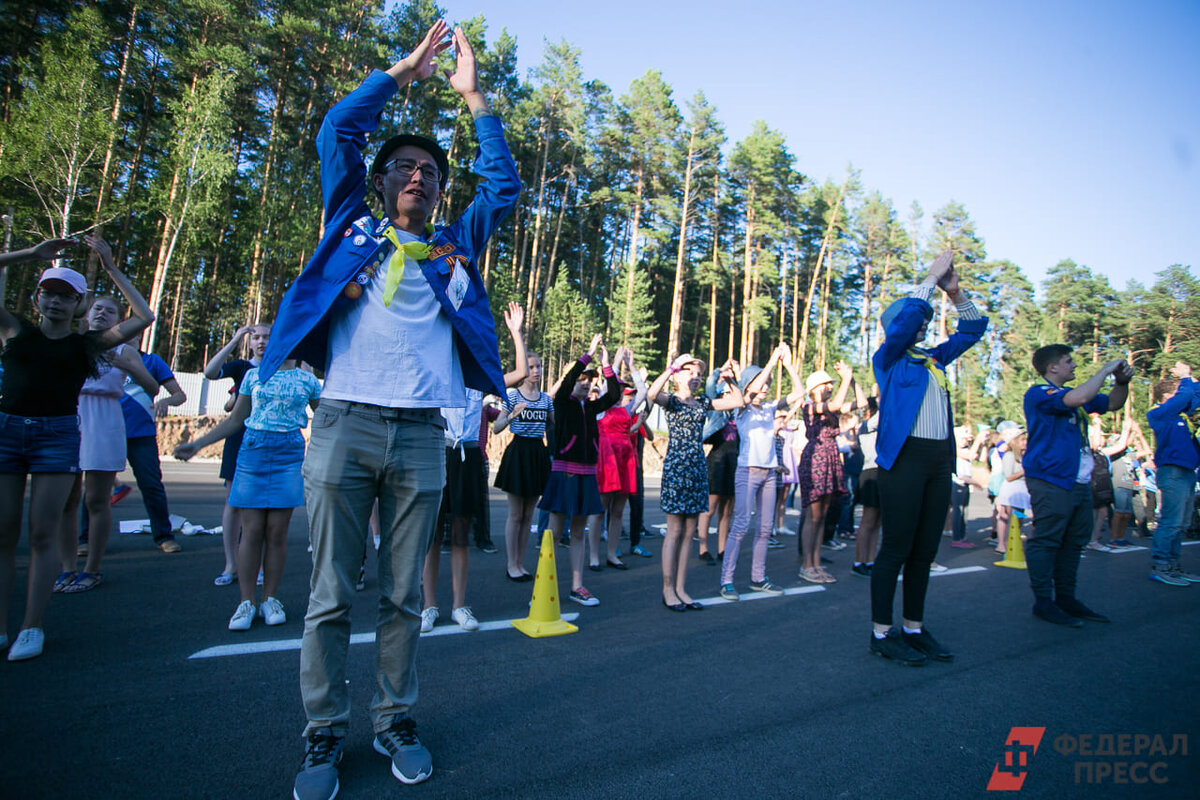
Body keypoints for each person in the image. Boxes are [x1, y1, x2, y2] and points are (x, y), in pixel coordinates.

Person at [258, 21, 520, 796]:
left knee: (405, 596)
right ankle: (321, 736)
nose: (418, 177)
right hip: (342, 423)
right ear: (379, 183)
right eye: (402, 167)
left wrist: (472, 96)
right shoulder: (352, 226)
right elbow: (338, 128)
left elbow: (503, 188)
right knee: (332, 594)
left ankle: (395, 720)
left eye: (430, 171)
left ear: (440, 191)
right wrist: (403, 73)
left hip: (421, 438)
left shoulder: (452, 248)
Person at [0, 235, 153, 661]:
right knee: (3, 531)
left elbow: (144, 315)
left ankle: (32, 626)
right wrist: (28, 255)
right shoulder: (15, 332)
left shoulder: (87, 345)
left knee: (42, 532)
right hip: (8, 431)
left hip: (58, 435)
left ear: (79, 306)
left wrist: (110, 268)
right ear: (37, 298)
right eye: (50, 294)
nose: (56, 303)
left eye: (67, 297)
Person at [869, 250, 987, 666]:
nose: (923, 322)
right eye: (917, 319)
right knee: (896, 549)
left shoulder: (933, 359)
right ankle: (881, 632)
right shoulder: (887, 359)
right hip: (904, 459)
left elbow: (974, 330)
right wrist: (929, 278)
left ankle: (913, 628)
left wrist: (953, 291)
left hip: (939, 459)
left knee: (924, 551)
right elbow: (901, 325)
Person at [174, 358, 321, 630]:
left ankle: (270, 599)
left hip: (289, 454)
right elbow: (236, 420)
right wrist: (197, 445)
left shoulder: (309, 380)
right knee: (252, 530)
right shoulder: (253, 375)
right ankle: (246, 602)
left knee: (277, 532)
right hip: (253, 451)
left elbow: (325, 420)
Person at [421, 302, 527, 632]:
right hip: (439, 454)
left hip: (467, 458)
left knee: (461, 535)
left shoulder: (479, 379)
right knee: (432, 537)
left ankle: (459, 606)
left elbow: (520, 373)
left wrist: (516, 332)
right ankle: (428, 606)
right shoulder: (436, 370)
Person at [59, 290, 162, 593]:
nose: (102, 314)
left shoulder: (126, 352)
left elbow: (153, 388)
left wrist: (126, 365)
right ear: (86, 313)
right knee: (68, 501)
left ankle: (93, 568)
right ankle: (66, 568)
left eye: (110, 311)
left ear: (119, 320)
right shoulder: (72, 345)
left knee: (96, 499)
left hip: (105, 421)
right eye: (97, 309)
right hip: (70, 417)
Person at [1022, 345, 1132, 627]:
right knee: (1046, 540)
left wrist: (1122, 382)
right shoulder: (1039, 393)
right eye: (1068, 361)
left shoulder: (1077, 398)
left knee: (1073, 543)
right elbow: (1080, 396)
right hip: (1051, 478)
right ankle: (1044, 602)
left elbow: (1112, 404)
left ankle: (1067, 599)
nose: (1074, 366)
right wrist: (1106, 370)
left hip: (1078, 480)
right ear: (1052, 368)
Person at [648, 355, 744, 609]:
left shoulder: (702, 402)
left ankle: (681, 588)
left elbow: (738, 401)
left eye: (699, 374)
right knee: (675, 530)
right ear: (678, 375)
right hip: (677, 467)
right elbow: (651, 394)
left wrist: (730, 379)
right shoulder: (671, 401)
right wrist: (670, 367)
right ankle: (667, 589)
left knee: (690, 531)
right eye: (689, 372)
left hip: (697, 468)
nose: (695, 376)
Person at [538, 336, 622, 606]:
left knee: (578, 532)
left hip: (586, 475)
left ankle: (577, 586)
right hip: (563, 473)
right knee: (553, 532)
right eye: (580, 380)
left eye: (589, 381)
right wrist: (586, 355)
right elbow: (566, 382)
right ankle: (543, 587)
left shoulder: (593, 407)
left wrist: (607, 366)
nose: (585, 384)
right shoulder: (562, 403)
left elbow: (615, 395)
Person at [720, 344, 801, 599]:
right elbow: (753, 388)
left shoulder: (770, 408)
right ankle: (727, 580)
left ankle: (758, 577)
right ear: (748, 386)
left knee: (765, 529)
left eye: (767, 383)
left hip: (769, 474)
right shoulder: (741, 408)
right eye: (760, 383)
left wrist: (786, 364)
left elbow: (799, 392)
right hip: (747, 472)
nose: (765, 387)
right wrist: (771, 360)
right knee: (741, 526)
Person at [203, 323, 270, 586]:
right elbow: (209, 372)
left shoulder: (280, 367)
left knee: (263, 506)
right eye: (256, 337)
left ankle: (261, 565)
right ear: (250, 342)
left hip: (268, 440)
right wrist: (234, 340)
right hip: (238, 439)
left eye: (267, 337)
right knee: (234, 503)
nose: (261, 341)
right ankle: (231, 564)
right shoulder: (241, 368)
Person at [798, 361, 859, 584]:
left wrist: (851, 381)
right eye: (826, 384)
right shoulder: (809, 406)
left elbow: (859, 403)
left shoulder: (829, 406)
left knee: (822, 515)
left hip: (830, 457)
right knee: (813, 515)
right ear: (814, 388)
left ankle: (815, 562)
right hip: (815, 458)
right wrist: (844, 379)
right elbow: (835, 405)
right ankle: (807, 565)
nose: (830, 387)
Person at [493, 347, 551, 581]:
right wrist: (511, 416)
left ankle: (521, 562)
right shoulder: (513, 395)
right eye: (531, 367)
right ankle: (511, 564)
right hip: (518, 452)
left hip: (538, 451)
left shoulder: (547, 399)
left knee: (529, 515)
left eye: (538, 366)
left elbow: (553, 426)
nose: (535, 371)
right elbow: (496, 428)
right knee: (516, 514)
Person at [1144, 362, 1200, 586]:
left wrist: (1191, 380)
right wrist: (1185, 377)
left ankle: (1173, 566)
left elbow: (1194, 397)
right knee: (1171, 521)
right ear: (1167, 396)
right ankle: (1161, 566)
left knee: (1182, 523)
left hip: (1187, 472)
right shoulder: (1159, 414)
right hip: (1173, 472)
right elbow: (1184, 398)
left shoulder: (1180, 414)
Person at [593, 351, 647, 572]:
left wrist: (631, 366)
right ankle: (594, 555)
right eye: (615, 387)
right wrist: (612, 363)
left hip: (625, 461)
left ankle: (612, 553)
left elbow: (643, 392)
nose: (617, 391)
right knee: (601, 509)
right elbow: (608, 382)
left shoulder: (627, 409)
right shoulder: (601, 409)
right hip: (607, 461)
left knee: (618, 510)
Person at [696, 361, 741, 562]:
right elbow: (709, 386)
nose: (730, 397)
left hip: (734, 462)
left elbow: (744, 394)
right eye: (726, 394)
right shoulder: (716, 412)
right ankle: (703, 548)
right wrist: (720, 371)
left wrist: (735, 377)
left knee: (727, 509)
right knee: (710, 507)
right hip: (716, 461)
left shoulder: (739, 416)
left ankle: (723, 549)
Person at [851, 397, 881, 576]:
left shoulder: (877, 424)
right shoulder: (866, 425)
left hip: (883, 473)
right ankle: (858, 561)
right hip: (870, 472)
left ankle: (870, 560)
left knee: (878, 522)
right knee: (868, 521)